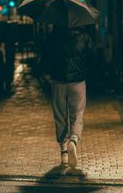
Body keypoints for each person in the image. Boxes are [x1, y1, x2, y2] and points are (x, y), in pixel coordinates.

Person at [41, 25, 96, 169]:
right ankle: (74, 140)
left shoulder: (53, 36)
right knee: (77, 113)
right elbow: (93, 58)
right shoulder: (84, 37)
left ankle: (64, 151)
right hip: (78, 81)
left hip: (58, 81)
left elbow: (45, 58)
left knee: (60, 115)